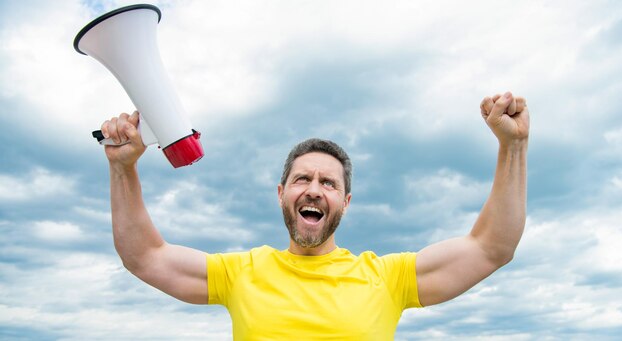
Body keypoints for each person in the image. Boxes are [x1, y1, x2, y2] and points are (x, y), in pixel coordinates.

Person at [100, 92, 529, 340]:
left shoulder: (387, 277)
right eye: (303, 179)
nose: (314, 189)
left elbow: (492, 247)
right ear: (282, 193)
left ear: (345, 202)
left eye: (329, 183)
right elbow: (144, 256)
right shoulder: (240, 272)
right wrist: (123, 167)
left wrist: (513, 146)